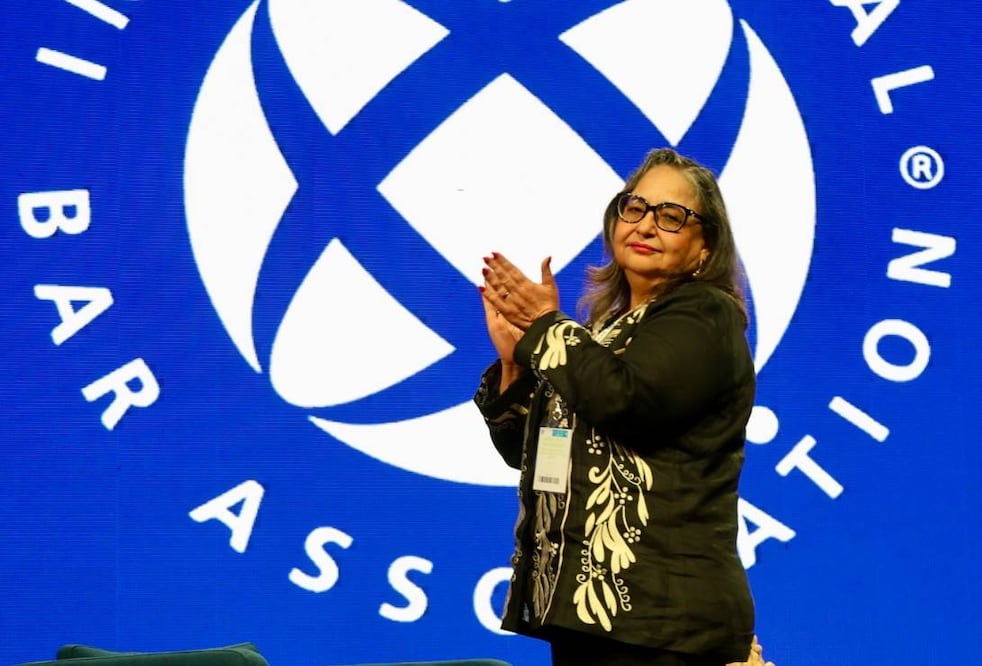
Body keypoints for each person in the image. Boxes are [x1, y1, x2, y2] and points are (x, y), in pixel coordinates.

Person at [474, 147, 758, 665]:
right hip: (589, 622)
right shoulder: (601, 336)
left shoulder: (705, 317)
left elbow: (629, 404)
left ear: (704, 248)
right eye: (635, 208)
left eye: (672, 216)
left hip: (666, 626)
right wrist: (516, 365)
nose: (647, 225)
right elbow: (534, 457)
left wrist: (547, 327)